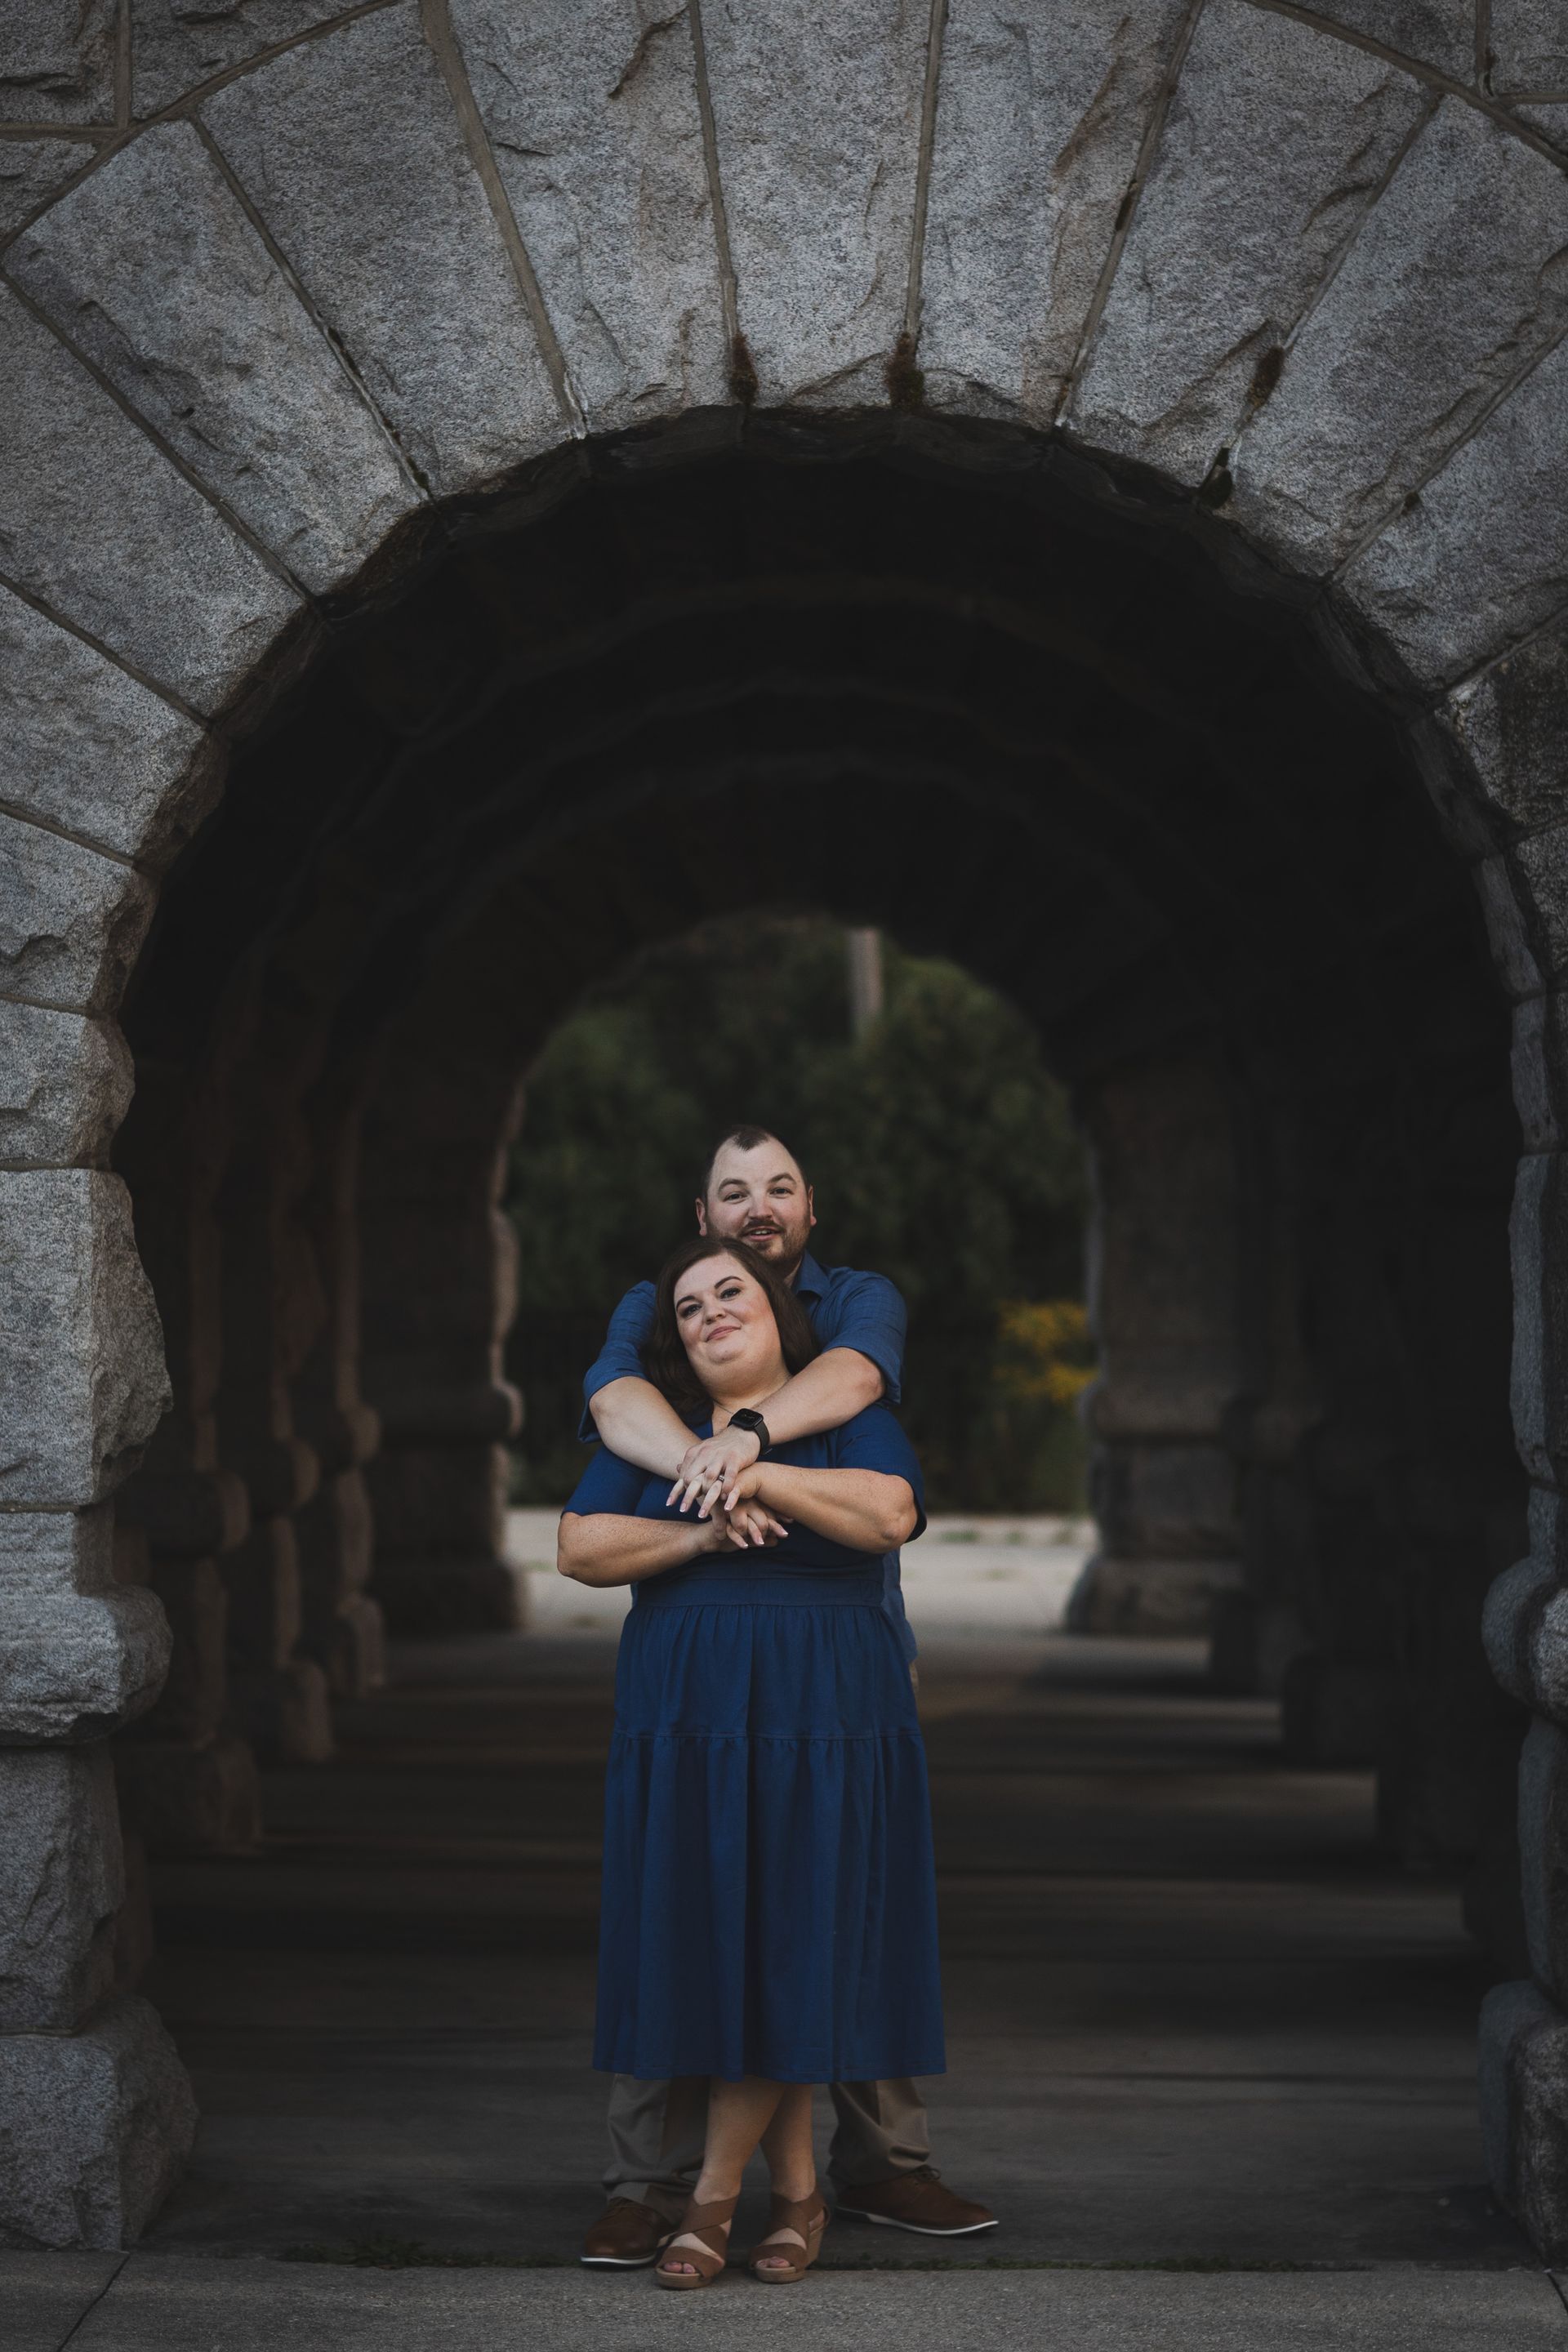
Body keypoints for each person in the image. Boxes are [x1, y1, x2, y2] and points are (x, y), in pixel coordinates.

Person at [574, 1125, 996, 2264]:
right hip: (697, 1688)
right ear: (700, 1215)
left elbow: (857, 1393)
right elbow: (612, 1399)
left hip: (836, 1670)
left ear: (812, 1209)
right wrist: (702, 1494)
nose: (756, 1209)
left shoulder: (851, 1311)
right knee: (693, 1918)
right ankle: (654, 2185)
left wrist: (752, 1444)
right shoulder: (663, 1324)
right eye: (731, 1193)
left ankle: (877, 2171)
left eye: (778, 1190)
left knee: (826, 1916)